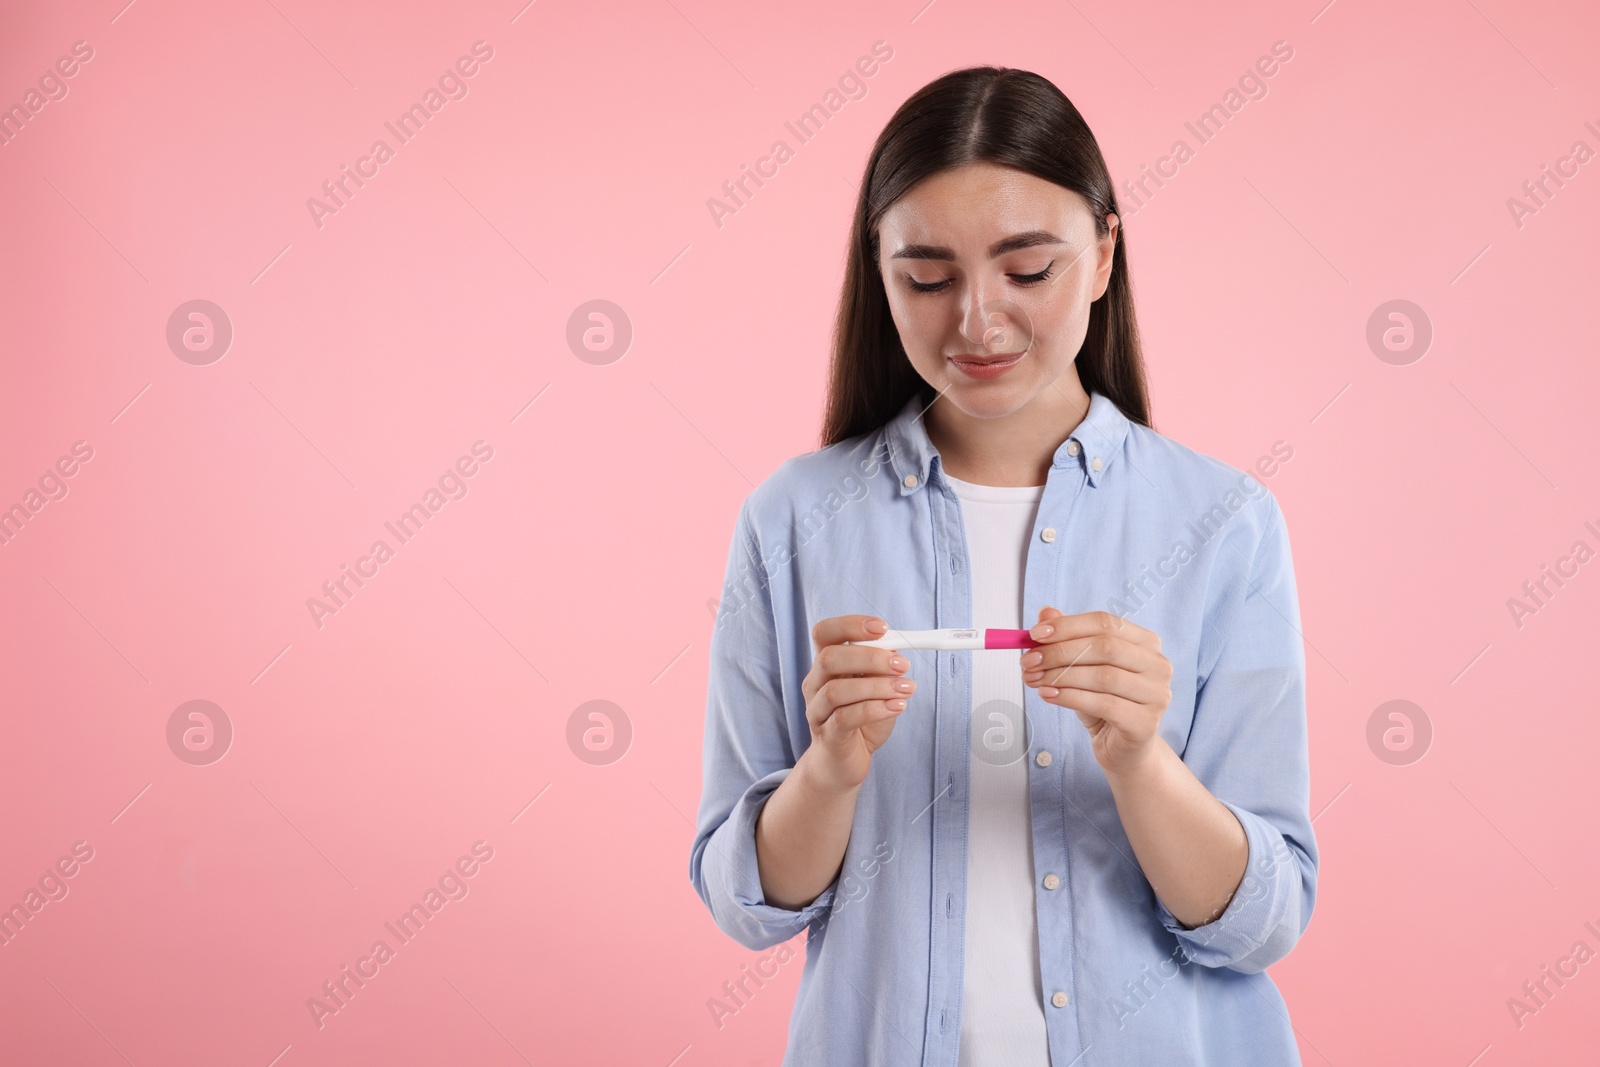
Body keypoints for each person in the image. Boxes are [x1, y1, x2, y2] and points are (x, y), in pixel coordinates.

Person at [689, 64, 1317, 1067]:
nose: (976, 322)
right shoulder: (794, 519)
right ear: (878, 271)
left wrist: (1138, 762)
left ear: (1105, 253)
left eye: (1028, 270)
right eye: (926, 278)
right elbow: (743, 900)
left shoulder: (1224, 523)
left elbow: (1265, 920)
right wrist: (830, 771)